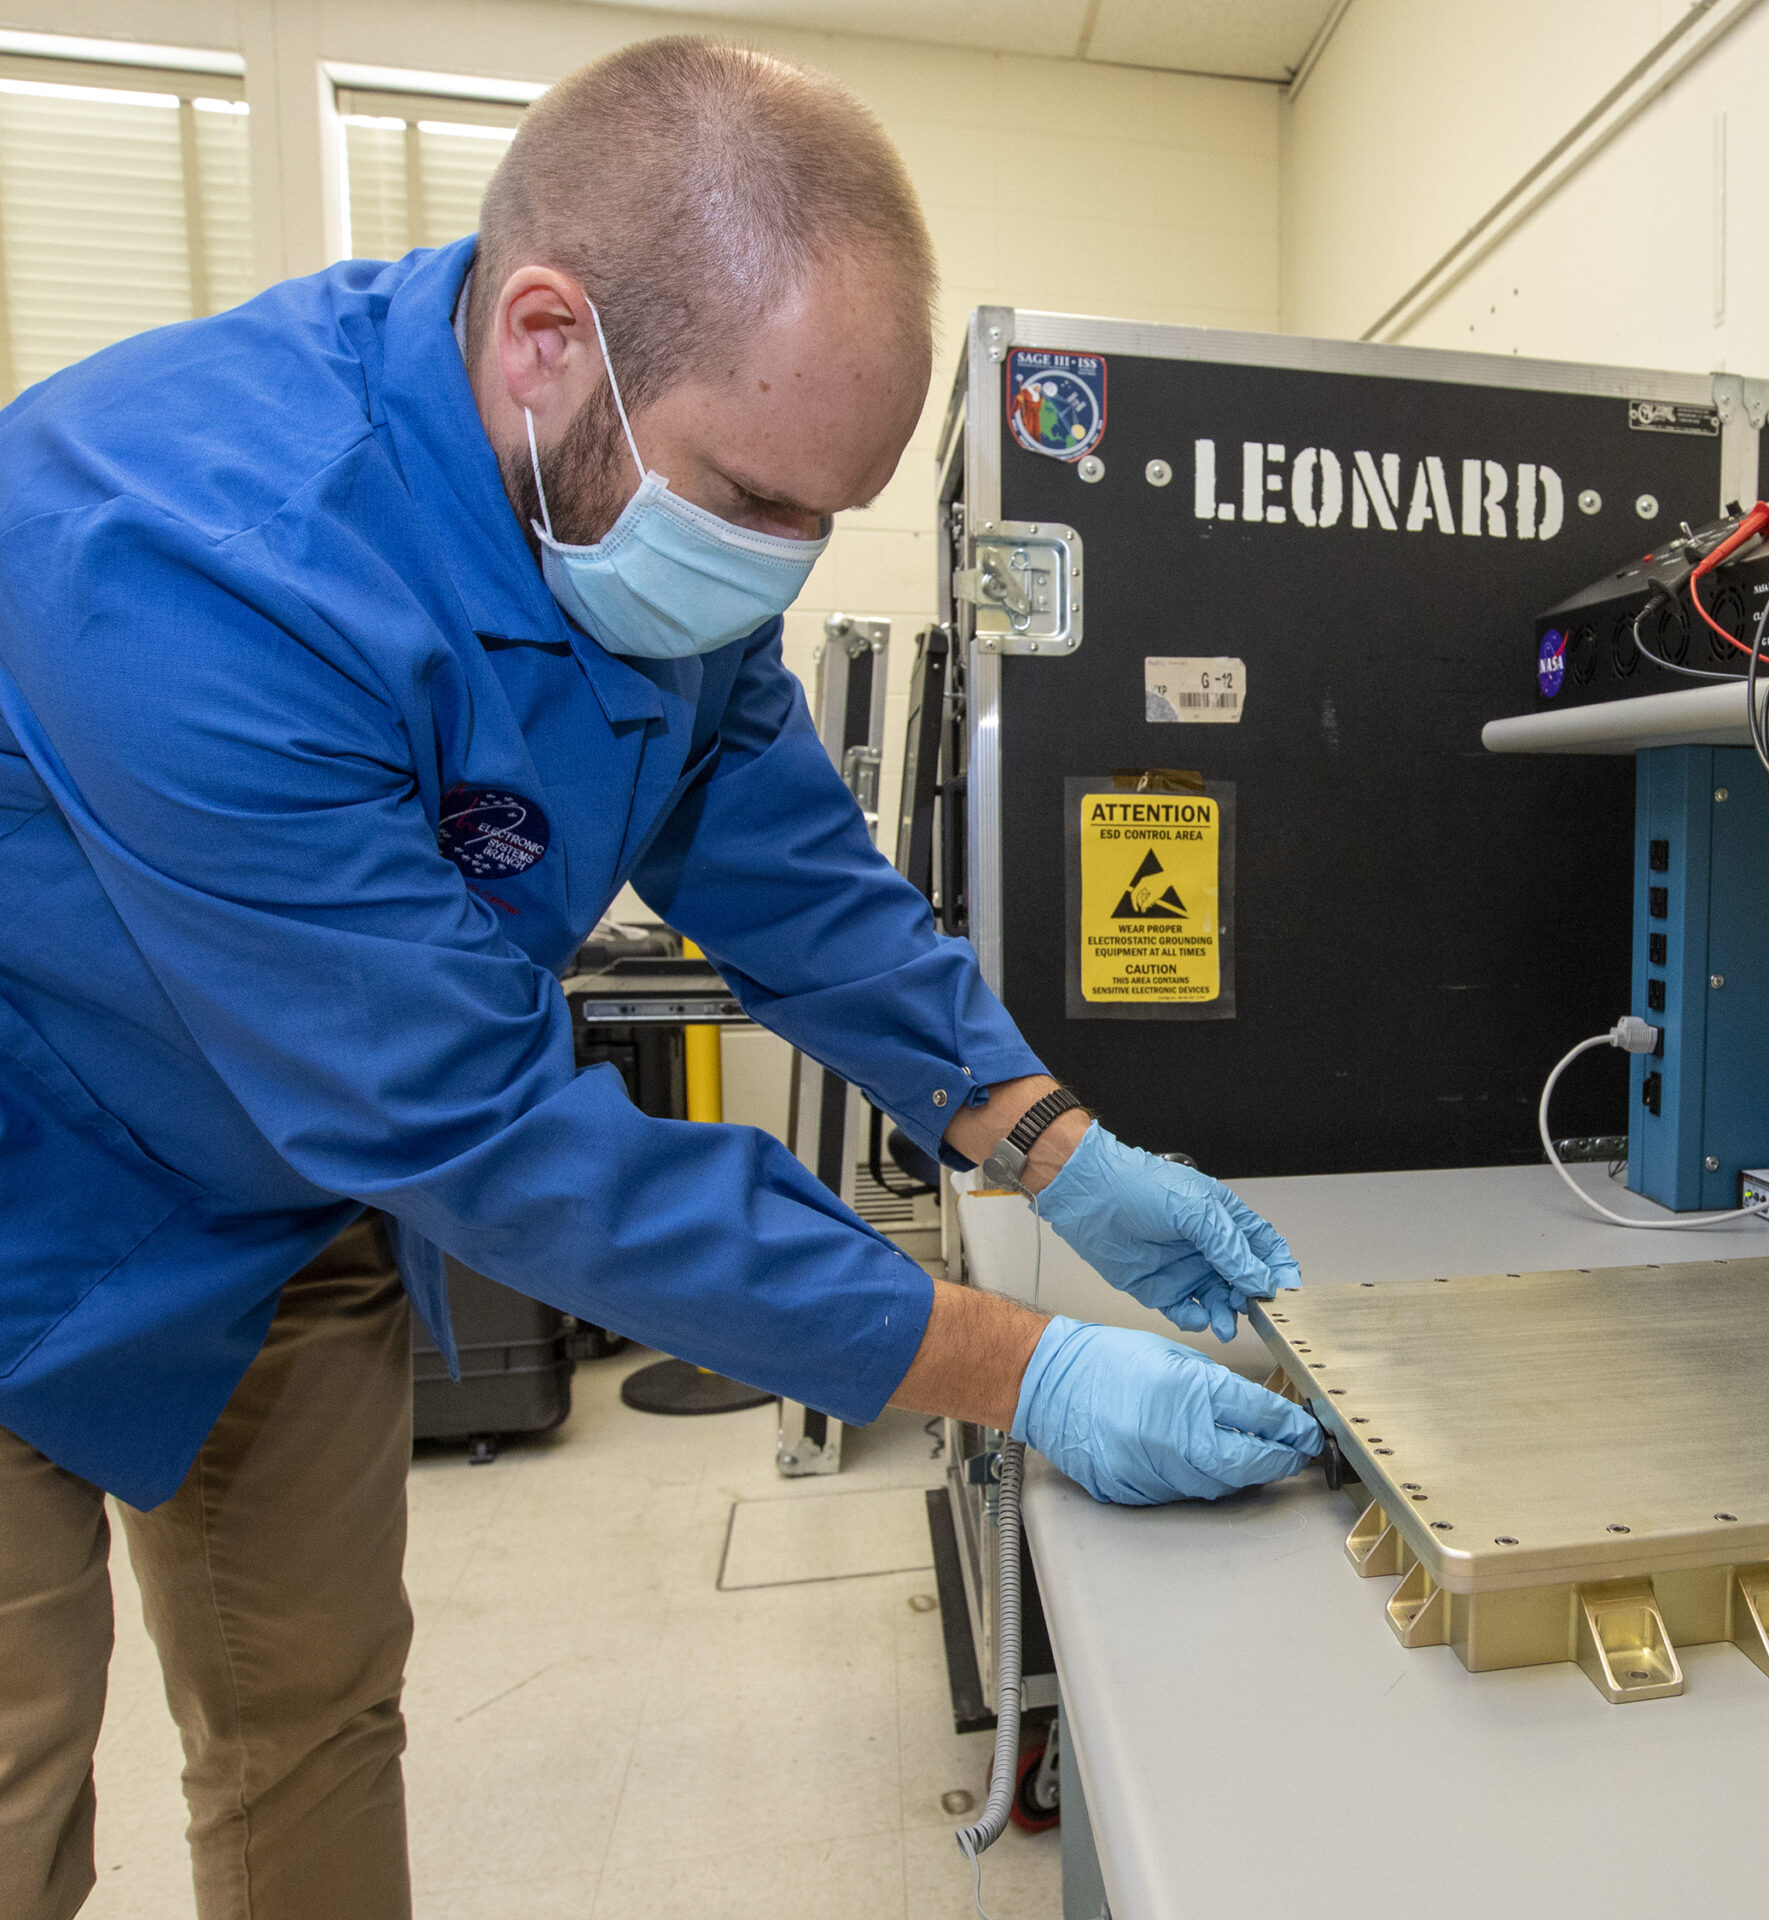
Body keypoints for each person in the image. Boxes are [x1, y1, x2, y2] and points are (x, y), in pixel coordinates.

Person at [0, 36, 1320, 1920]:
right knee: (21, 1774)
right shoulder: (178, 566)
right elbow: (490, 1135)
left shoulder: (629, 513)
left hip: (292, 1211)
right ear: (548, 339)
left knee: (306, 1720)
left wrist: (1053, 1144)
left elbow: (795, 878)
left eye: (824, 519)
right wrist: (1018, 1370)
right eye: (754, 499)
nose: (776, 574)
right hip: (38, 1186)